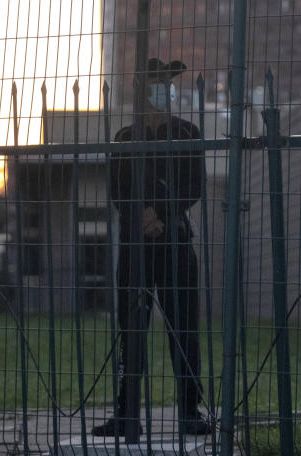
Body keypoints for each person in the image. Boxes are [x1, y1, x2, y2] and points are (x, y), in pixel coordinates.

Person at [93, 58, 212, 437]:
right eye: (157, 83)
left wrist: (159, 212)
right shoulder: (125, 140)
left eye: (168, 84)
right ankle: (127, 413)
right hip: (135, 249)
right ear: (141, 92)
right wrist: (142, 215)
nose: (165, 91)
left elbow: (193, 186)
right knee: (131, 333)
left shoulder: (188, 134)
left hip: (175, 243)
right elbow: (117, 192)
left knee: (184, 331)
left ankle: (189, 411)